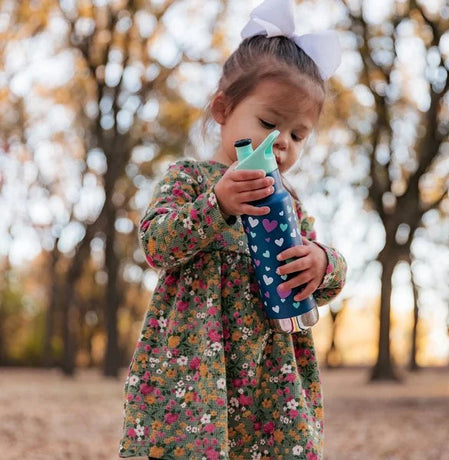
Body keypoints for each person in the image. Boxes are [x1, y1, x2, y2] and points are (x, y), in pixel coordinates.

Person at [119, 0, 346, 458]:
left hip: (269, 372)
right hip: (194, 371)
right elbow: (156, 245)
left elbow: (311, 287)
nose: (282, 143)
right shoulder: (190, 179)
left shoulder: (290, 204)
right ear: (223, 109)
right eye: (268, 122)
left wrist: (324, 265)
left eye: (298, 134)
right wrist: (215, 205)